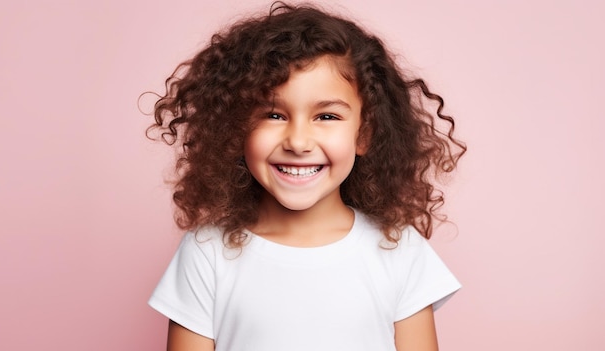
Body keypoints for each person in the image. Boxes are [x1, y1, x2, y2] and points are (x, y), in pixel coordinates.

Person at [147, 2, 466, 350]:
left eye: (327, 117)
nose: (298, 142)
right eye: (273, 114)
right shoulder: (206, 253)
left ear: (365, 134)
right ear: (235, 128)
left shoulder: (400, 251)